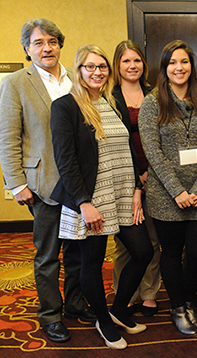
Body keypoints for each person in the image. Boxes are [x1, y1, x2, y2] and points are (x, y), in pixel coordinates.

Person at [50, 45, 153, 350]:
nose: (97, 72)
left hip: (122, 193)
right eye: (89, 67)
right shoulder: (65, 107)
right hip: (91, 198)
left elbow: (130, 149)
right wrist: (83, 203)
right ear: (78, 70)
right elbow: (65, 160)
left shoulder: (112, 102)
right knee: (91, 263)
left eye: (102, 67)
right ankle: (103, 320)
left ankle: (118, 309)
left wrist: (136, 189)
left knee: (143, 252)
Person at [0, 18, 96, 343]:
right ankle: (50, 315)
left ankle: (75, 303)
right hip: (43, 185)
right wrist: (16, 184)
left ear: (60, 45)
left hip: (79, 183)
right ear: (27, 49)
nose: (46, 48)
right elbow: (8, 137)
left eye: (52, 41)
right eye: (38, 43)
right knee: (47, 256)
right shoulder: (15, 83)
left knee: (77, 252)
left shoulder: (76, 79)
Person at [138, 40, 197, 336]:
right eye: (172, 62)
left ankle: (187, 300)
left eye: (184, 62)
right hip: (165, 196)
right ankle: (178, 307)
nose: (179, 68)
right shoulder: (151, 103)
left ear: (192, 66)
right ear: (165, 67)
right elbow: (153, 152)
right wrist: (177, 191)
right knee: (171, 253)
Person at [111, 40, 160, 317]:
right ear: (118, 65)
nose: (132, 66)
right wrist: (134, 178)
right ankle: (125, 292)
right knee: (127, 242)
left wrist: (149, 173)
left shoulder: (154, 94)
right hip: (123, 176)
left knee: (153, 238)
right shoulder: (109, 95)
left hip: (155, 174)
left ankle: (150, 293)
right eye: (126, 61)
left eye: (137, 61)